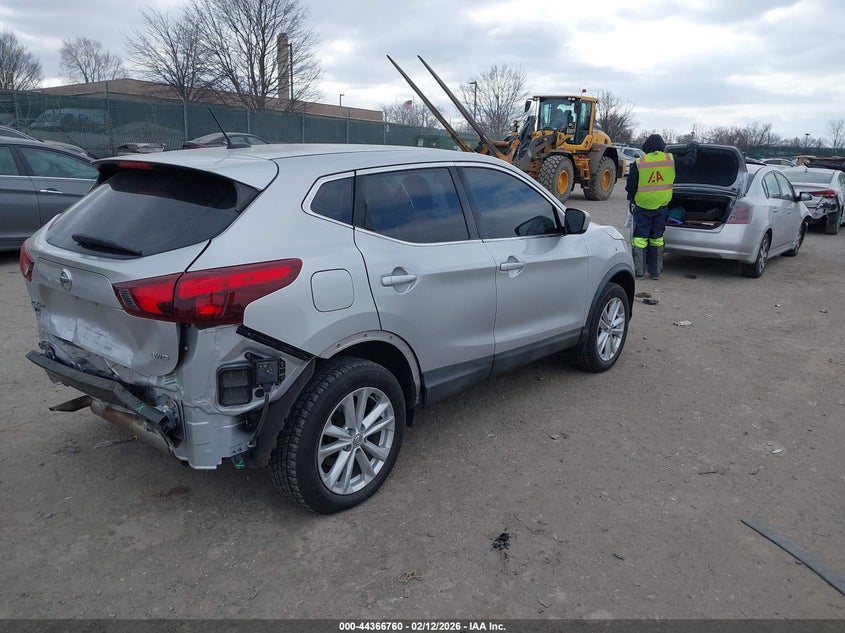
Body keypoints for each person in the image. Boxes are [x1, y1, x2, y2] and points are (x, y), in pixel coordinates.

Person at [625, 134, 698, 279]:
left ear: (646, 147)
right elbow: (689, 163)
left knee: (639, 239)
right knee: (657, 238)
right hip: (661, 207)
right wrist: (693, 148)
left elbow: (630, 186)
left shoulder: (639, 162)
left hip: (642, 206)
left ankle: (639, 272)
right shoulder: (670, 159)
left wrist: (633, 198)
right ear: (662, 146)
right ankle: (655, 272)